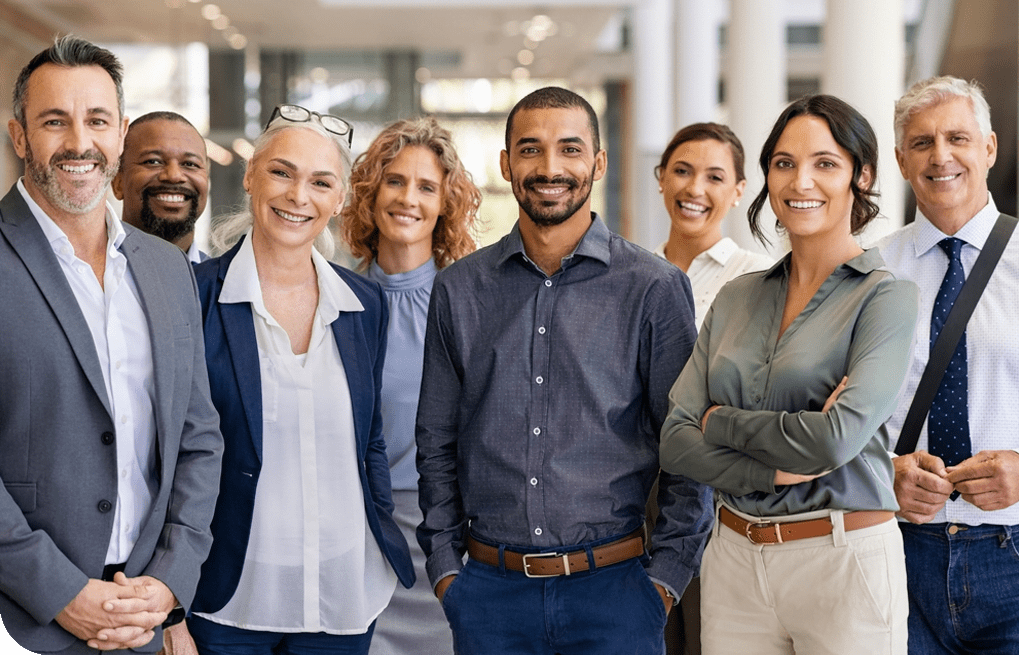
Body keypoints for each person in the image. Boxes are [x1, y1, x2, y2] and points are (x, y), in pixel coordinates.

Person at [416, 86, 712, 655]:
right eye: (530, 150)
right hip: (488, 598)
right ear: (506, 164)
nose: (550, 168)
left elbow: (688, 446)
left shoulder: (653, 288)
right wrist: (446, 570)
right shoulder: (459, 289)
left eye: (570, 149)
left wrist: (665, 581)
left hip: (617, 596)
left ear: (598, 163)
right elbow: (435, 441)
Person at [660, 94, 919, 654]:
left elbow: (834, 441)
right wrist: (771, 473)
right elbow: (675, 443)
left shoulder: (887, 297)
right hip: (732, 558)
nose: (801, 181)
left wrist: (719, 421)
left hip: (842, 559)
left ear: (862, 176)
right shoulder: (736, 296)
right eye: (784, 163)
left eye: (825, 163)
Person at [0, 36, 223, 654]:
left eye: (97, 120)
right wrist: (59, 592)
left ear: (120, 133)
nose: (79, 142)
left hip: (142, 620)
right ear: (20, 137)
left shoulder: (164, 268)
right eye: (54, 121)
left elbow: (198, 438)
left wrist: (170, 584)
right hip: (19, 622)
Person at [186, 104, 414, 655]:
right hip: (226, 598)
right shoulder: (193, 295)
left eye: (320, 182)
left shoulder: (364, 304)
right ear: (250, 176)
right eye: (281, 172)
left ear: (338, 200)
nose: (297, 196)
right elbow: (167, 455)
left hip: (342, 594)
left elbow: (370, 438)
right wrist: (169, 603)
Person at [877, 76, 1019, 653]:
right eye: (922, 142)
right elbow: (830, 418)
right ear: (900, 159)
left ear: (988, 149)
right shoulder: (867, 273)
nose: (941, 156)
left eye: (957, 138)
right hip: (896, 554)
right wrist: (882, 472)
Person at [340, 117, 479, 655]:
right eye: (395, 181)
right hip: (356, 536)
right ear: (372, 192)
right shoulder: (334, 298)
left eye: (426, 187)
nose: (408, 198)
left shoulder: (467, 305)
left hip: (446, 535)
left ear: (446, 203)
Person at [654, 123, 772, 329]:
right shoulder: (633, 274)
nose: (695, 189)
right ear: (662, 177)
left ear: (738, 191)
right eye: (682, 171)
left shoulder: (760, 277)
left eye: (715, 178)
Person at [113, 111, 210, 263]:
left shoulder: (226, 283)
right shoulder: (89, 277)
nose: (174, 176)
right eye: (153, 162)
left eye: (190, 164)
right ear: (117, 182)